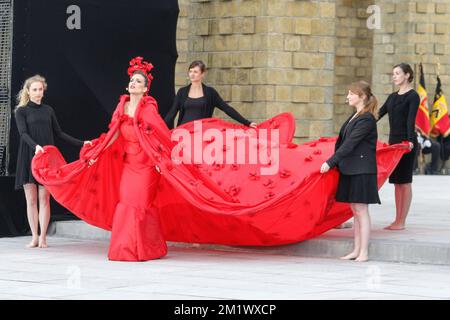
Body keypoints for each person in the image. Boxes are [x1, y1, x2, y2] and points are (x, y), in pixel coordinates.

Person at [31, 57, 409, 259]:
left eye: (139, 83)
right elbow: (125, 130)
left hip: (161, 158)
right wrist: (92, 148)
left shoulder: (157, 106)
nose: (134, 86)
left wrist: (245, 126)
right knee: (129, 204)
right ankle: (133, 249)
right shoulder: (125, 107)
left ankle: (140, 248)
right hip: (135, 160)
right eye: (131, 82)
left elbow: (174, 127)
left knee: (140, 204)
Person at [14, 75, 90, 248]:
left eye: (40, 89)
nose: (38, 93)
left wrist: (81, 143)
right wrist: (36, 147)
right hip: (29, 156)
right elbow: (23, 134)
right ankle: (34, 236)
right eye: (34, 89)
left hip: (47, 158)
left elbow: (60, 133)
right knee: (31, 200)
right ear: (28, 91)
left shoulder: (48, 110)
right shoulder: (21, 111)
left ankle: (43, 237)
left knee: (45, 198)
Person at [320, 81, 380, 262]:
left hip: (362, 170)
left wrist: (331, 162)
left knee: (361, 210)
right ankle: (356, 250)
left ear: (362, 97)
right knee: (354, 210)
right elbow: (342, 141)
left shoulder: (367, 119)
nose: (347, 96)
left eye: (351, 94)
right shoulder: (355, 116)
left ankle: (364, 252)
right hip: (351, 169)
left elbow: (350, 143)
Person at [378, 63, 420, 230]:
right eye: (393, 73)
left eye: (397, 73)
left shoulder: (413, 96)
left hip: (407, 143)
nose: (394, 76)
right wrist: (360, 120)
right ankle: (397, 219)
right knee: (396, 182)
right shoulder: (392, 97)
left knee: (405, 182)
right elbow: (378, 114)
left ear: (407, 75)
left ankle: (401, 221)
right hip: (393, 144)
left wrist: (410, 140)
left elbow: (411, 120)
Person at [164, 60, 257, 129]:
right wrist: (160, 128)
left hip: (202, 132)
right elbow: (172, 113)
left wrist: (247, 122)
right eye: (190, 71)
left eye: (195, 72)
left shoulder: (210, 93)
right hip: (183, 132)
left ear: (202, 74)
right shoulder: (182, 92)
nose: (192, 74)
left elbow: (227, 109)